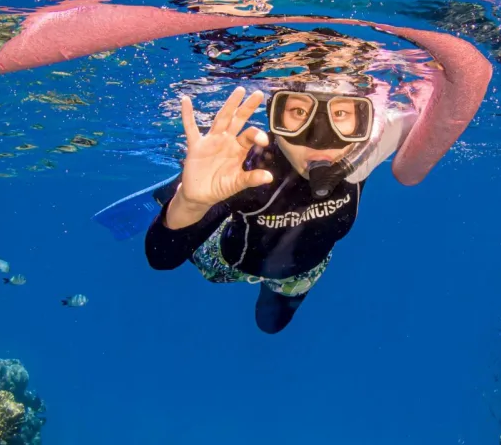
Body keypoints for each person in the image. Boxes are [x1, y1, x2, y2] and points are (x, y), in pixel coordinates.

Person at [144, 80, 413, 333]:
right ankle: (179, 191)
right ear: (275, 117)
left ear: (365, 121)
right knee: (197, 211)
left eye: (341, 114)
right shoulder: (252, 170)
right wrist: (191, 203)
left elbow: (427, 116)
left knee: (270, 325)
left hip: (305, 270)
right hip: (226, 262)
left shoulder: (366, 151)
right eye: (298, 111)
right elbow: (162, 259)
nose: (319, 138)